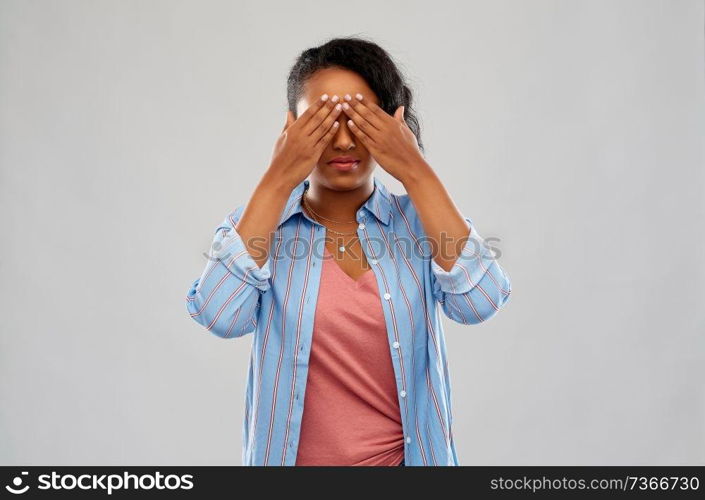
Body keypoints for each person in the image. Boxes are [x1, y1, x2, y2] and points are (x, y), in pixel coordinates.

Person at [185, 36, 512, 466]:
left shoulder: (419, 224)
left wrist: (416, 170)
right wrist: (277, 179)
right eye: (322, 122)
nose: (341, 141)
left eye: (359, 120)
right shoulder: (260, 227)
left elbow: (481, 302)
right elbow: (220, 316)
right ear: (290, 129)